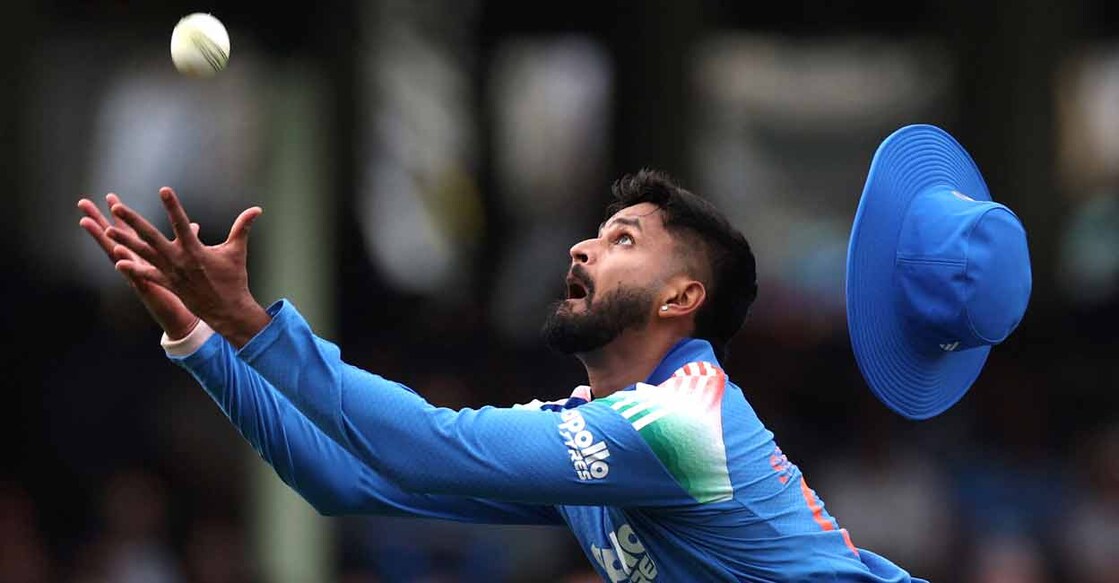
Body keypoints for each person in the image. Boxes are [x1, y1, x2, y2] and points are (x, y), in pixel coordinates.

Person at [78, 170, 924, 581]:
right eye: (594, 232)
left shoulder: (678, 424)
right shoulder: (597, 425)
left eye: (624, 238)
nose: (583, 245)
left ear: (683, 296)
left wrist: (251, 323)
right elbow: (347, 480)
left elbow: (422, 447)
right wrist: (199, 339)